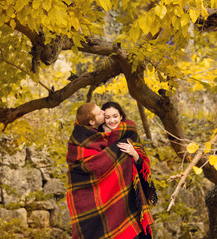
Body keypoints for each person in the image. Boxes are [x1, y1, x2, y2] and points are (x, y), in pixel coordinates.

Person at [66, 102, 157, 239]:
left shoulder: (129, 134)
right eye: (105, 115)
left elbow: (144, 167)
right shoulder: (88, 138)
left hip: (129, 200)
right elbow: (84, 168)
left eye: (115, 116)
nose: (111, 119)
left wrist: (135, 155)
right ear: (93, 121)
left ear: (121, 116)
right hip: (104, 204)